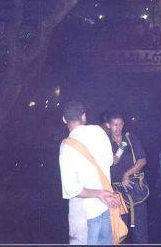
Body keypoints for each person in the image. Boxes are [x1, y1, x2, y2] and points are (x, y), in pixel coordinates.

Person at [59, 101, 121, 245]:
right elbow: (110, 161)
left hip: (85, 216)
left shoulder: (67, 146)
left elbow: (71, 190)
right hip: (106, 208)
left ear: (64, 119)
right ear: (84, 116)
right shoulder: (99, 132)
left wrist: (98, 193)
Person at [108, 112, 149, 243]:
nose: (118, 127)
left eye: (120, 124)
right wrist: (108, 160)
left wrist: (127, 174)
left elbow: (142, 160)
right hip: (117, 193)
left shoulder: (130, 139)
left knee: (140, 232)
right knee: (120, 232)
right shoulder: (104, 142)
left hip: (135, 188)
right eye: (115, 124)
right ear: (109, 125)